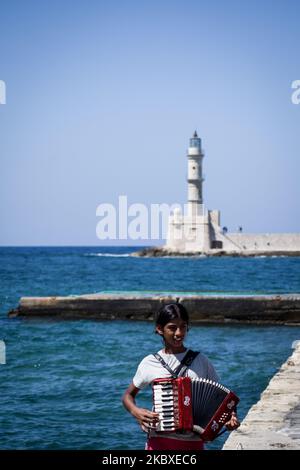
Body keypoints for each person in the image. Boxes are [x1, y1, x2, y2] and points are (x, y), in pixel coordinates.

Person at [122, 302, 240, 450]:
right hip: (159, 443)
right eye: (172, 327)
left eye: (183, 326)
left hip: (194, 443)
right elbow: (128, 395)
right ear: (159, 329)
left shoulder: (201, 360)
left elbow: (224, 398)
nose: (179, 333)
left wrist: (231, 417)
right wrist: (136, 412)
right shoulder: (150, 362)